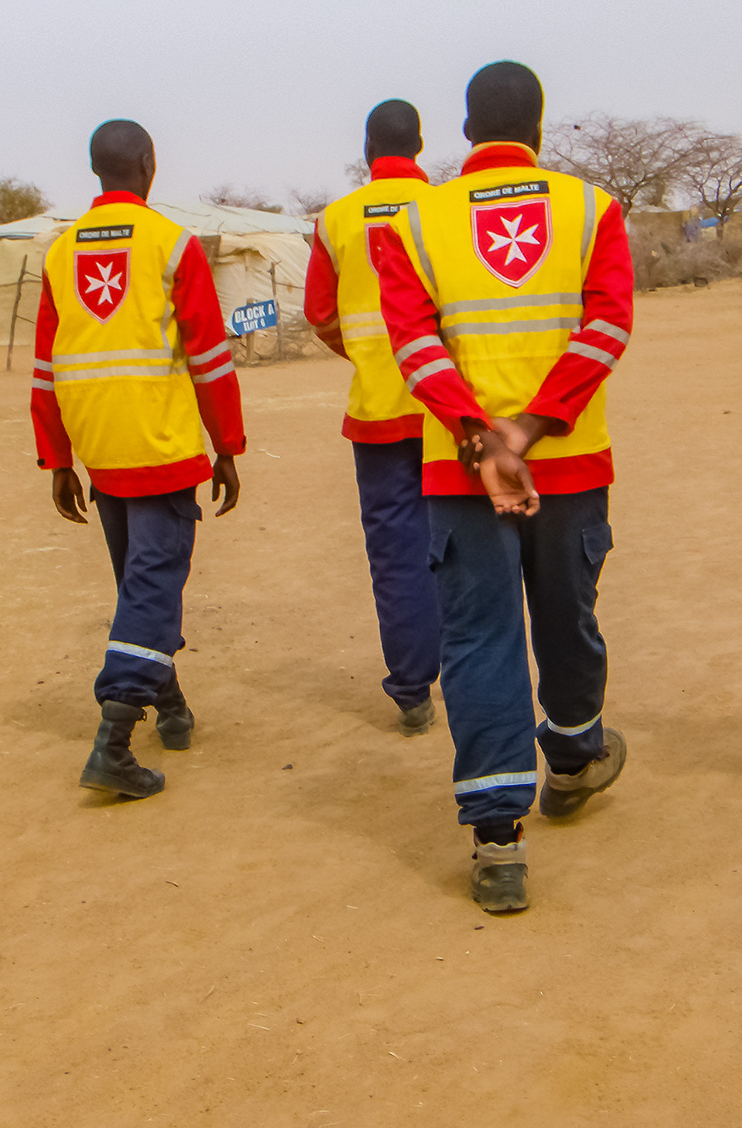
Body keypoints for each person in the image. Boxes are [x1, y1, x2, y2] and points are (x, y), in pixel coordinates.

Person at [373, 61, 633, 912]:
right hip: (567, 462)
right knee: (567, 618)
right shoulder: (591, 209)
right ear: (541, 128)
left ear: (465, 129)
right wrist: (530, 429)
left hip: (459, 471)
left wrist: (478, 435)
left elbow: (413, 347)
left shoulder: (414, 220)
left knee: (480, 640)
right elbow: (608, 325)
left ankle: (496, 841)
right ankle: (570, 757)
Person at [29, 119, 246, 799]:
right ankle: (114, 740)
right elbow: (210, 359)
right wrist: (228, 447)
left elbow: (45, 367)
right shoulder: (171, 245)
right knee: (152, 588)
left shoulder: (61, 253)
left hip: (98, 448)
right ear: (149, 165)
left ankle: (172, 708)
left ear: (97, 169)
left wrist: (59, 457)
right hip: (161, 445)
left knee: (139, 589)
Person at [304, 100, 442, 737]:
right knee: (464, 545)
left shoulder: (334, 220)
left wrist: (365, 356)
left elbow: (320, 314)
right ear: (419, 144)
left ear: (367, 150)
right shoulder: (447, 207)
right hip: (452, 414)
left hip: (378, 413)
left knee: (394, 552)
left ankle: (412, 689)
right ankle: (471, 674)